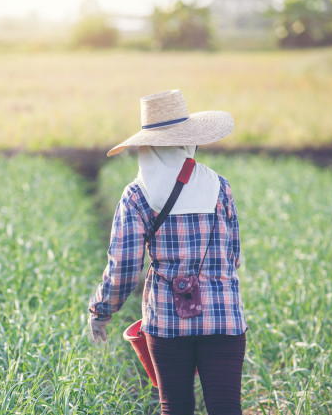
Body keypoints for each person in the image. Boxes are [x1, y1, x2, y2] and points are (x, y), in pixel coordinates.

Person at [88, 90, 247, 415]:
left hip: (167, 321)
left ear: (146, 146)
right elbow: (234, 258)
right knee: (226, 407)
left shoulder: (137, 195)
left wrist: (101, 311)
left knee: (174, 407)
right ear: (188, 141)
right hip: (225, 318)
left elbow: (124, 269)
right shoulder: (220, 187)